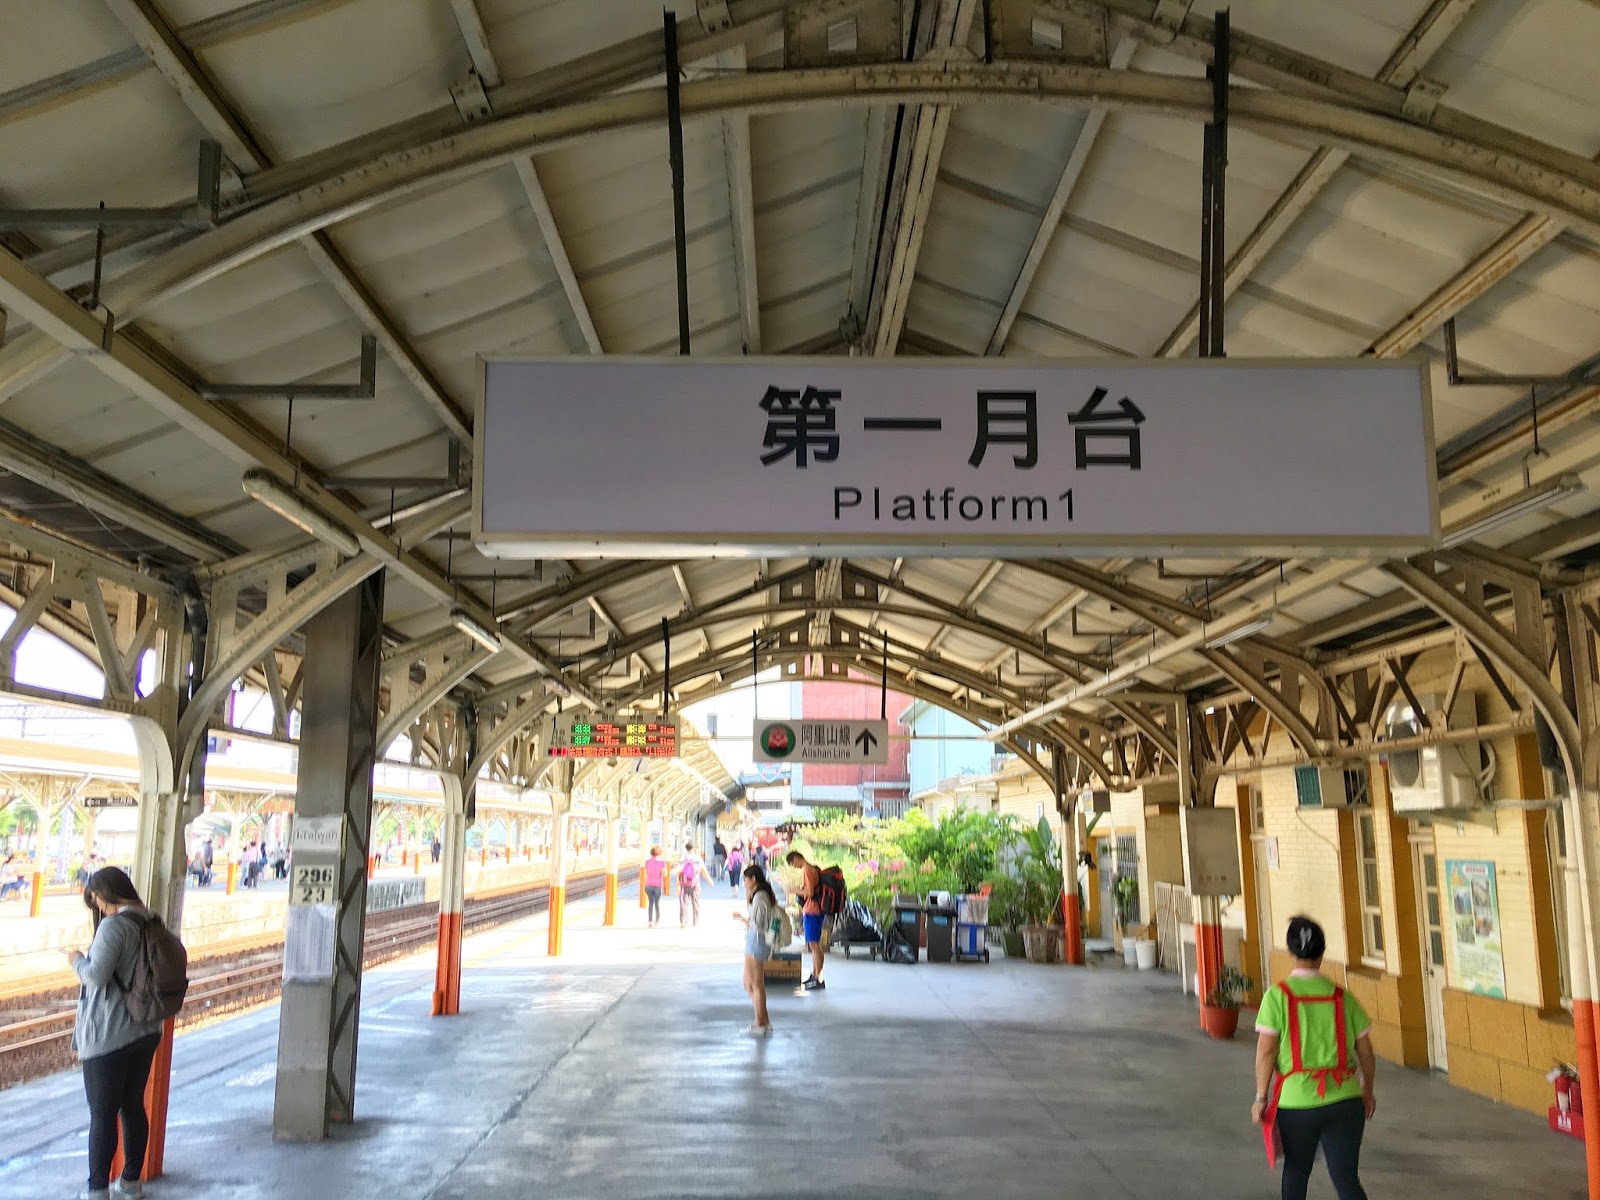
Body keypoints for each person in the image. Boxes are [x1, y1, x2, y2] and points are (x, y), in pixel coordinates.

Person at [1252, 915, 1377, 1200]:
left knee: (1296, 1173)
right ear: (1322, 953)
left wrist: (1261, 1098)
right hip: (1345, 1101)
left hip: (1297, 1104)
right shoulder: (1343, 997)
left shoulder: (1277, 997)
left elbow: (1266, 1051)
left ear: (1290, 951)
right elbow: (1366, 1052)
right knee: (1346, 1180)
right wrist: (1366, 1090)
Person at [68, 866, 164, 1199]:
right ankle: (130, 1182)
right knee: (132, 1105)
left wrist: (76, 959)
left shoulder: (114, 927)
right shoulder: (152, 920)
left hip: (110, 1033)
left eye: (96, 900)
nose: (98, 908)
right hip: (147, 1028)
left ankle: (97, 1190)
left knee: (103, 1112)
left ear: (107, 893)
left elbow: (95, 977)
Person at [732, 863, 780, 1037]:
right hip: (754, 940)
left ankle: (760, 1023)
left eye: (745, 879)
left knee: (756, 984)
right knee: (749, 983)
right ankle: (763, 1020)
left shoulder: (760, 897)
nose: (744, 882)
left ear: (753, 879)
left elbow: (759, 924)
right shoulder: (760, 895)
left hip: (756, 941)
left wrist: (746, 919)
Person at [785, 850, 827, 991]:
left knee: (815, 945)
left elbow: (809, 893)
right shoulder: (813, 868)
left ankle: (818, 977)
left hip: (812, 910)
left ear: (797, 858)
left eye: (793, 863)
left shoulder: (808, 870)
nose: (794, 866)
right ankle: (815, 975)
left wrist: (795, 890)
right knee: (813, 945)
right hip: (814, 910)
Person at [678, 843, 713, 928]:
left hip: (684, 883)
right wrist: (709, 880)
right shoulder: (697, 858)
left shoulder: (682, 858)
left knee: (684, 902)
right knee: (696, 902)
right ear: (693, 849)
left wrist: (677, 884)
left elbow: (678, 871)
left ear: (686, 849)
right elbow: (703, 870)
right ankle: (695, 922)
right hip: (695, 882)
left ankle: (683, 921)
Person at [642, 845, 667, 928]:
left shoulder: (647, 862)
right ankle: (657, 921)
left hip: (648, 885)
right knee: (657, 903)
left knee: (650, 903)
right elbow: (665, 874)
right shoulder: (662, 862)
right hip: (657, 886)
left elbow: (645, 875)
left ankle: (650, 921)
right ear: (659, 853)